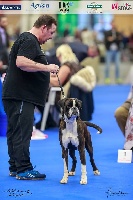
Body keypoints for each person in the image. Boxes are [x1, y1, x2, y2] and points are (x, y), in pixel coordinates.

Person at [2, 15, 59, 180]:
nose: (51, 37)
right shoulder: (29, 39)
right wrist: (47, 67)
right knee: (22, 132)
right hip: (20, 95)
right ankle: (23, 169)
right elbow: (21, 62)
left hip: (17, 94)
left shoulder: (28, 40)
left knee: (15, 131)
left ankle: (15, 167)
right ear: (43, 28)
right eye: (51, 32)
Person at [104, 20, 122, 84]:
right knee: (107, 65)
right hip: (109, 51)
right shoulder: (107, 32)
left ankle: (117, 78)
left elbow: (119, 40)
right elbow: (106, 40)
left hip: (117, 51)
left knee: (117, 65)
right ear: (110, 24)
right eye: (112, 24)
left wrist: (113, 39)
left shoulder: (118, 32)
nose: (113, 25)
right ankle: (107, 78)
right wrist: (113, 39)